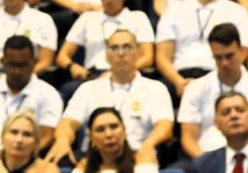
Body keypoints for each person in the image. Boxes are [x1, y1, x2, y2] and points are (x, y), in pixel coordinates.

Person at [51, 29, 173, 165]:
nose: (121, 53)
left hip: (137, 153)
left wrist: (149, 144)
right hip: (94, 157)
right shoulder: (88, 88)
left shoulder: (155, 88)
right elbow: (68, 122)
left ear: (138, 53)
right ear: (106, 55)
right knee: (60, 160)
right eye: (114, 48)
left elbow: (165, 126)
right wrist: (63, 140)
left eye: (127, 47)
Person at [155, 0, 248, 97]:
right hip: (179, 77)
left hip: (220, 76)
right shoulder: (175, 10)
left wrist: (211, 82)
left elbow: (243, 53)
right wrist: (178, 82)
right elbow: (162, 57)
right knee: (156, 93)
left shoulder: (237, 12)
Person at [178, 23, 248, 160]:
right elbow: (188, 139)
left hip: (244, 161)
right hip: (202, 158)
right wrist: (206, 164)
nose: (224, 63)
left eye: (229, 56)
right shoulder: (195, 88)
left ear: (242, 52)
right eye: (218, 57)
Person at [55, 0, 154, 100]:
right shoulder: (88, 17)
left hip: (127, 74)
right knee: (67, 91)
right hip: (92, 76)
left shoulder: (137, 17)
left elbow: (148, 57)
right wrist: (73, 67)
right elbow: (62, 56)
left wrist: (117, 72)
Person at [0, 35, 63, 168]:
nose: (17, 71)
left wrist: (24, 155)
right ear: (2, 61)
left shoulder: (48, 93)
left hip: (30, 159)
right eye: (12, 64)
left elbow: (48, 135)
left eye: (23, 65)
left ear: (34, 62)